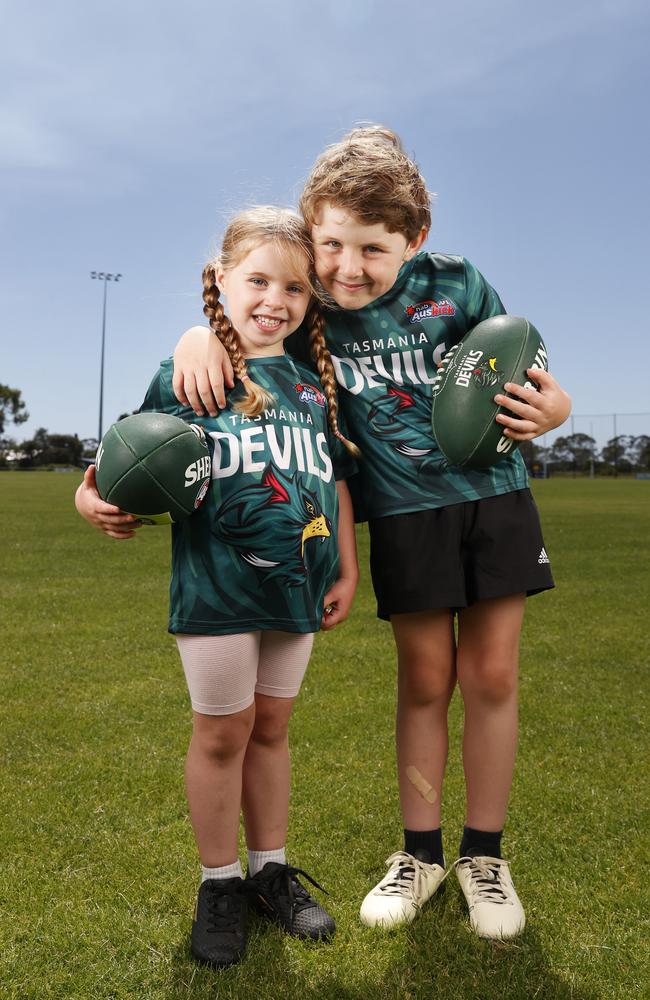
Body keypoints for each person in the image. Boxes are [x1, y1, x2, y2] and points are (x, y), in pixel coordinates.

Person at [169, 127, 572, 941]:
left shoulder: (458, 285)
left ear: (414, 240)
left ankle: (483, 857)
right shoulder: (313, 304)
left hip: (494, 498)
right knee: (425, 679)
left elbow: (525, 369)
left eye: (373, 250)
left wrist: (556, 411)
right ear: (312, 236)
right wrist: (195, 333)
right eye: (332, 246)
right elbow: (247, 309)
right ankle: (419, 854)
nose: (348, 268)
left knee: (492, 675)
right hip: (399, 512)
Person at [75, 206, 359, 968]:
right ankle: (220, 884)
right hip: (217, 591)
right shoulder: (191, 370)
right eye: (258, 279)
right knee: (222, 733)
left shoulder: (308, 384)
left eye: (295, 289)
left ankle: (270, 872)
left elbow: (331, 482)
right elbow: (127, 454)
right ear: (221, 282)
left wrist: (349, 564)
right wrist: (88, 494)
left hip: (298, 587)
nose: (276, 299)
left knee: (272, 730)